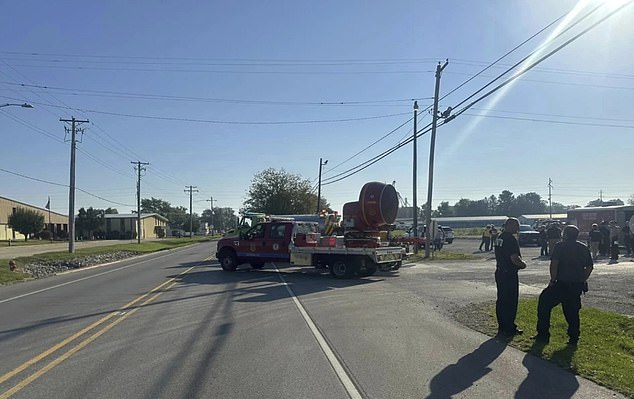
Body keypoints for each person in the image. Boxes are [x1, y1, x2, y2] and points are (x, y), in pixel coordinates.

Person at [533, 225, 593, 345]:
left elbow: (554, 264)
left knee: (544, 304)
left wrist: (552, 280)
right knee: (572, 311)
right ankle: (574, 337)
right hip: (576, 285)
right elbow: (589, 267)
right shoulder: (583, 247)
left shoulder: (560, 246)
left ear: (565, 235)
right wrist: (582, 279)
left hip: (560, 283)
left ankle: (543, 335)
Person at [494, 217, 527, 337]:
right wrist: (523, 265)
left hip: (500, 272)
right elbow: (514, 258)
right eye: (516, 225)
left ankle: (502, 326)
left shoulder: (500, 237)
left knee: (502, 300)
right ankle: (509, 327)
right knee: (511, 301)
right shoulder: (510, 239)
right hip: (509, 274)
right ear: (510, 225)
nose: (518, 228)